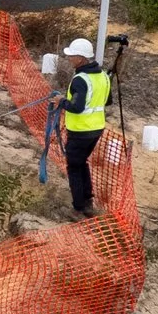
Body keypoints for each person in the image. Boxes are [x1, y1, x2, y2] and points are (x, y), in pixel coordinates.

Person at [58, 35, 111, 219]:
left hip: (80, 131)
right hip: (96, 129)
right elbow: (108, 101)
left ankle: (79, 208)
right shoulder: (103, 76)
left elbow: (77, 107)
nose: (69, 58)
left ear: (81, 58)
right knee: (82, 164)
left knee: (74, 167)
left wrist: (62, 102)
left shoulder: (80, 79)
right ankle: (87, 202)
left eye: (72, 55)